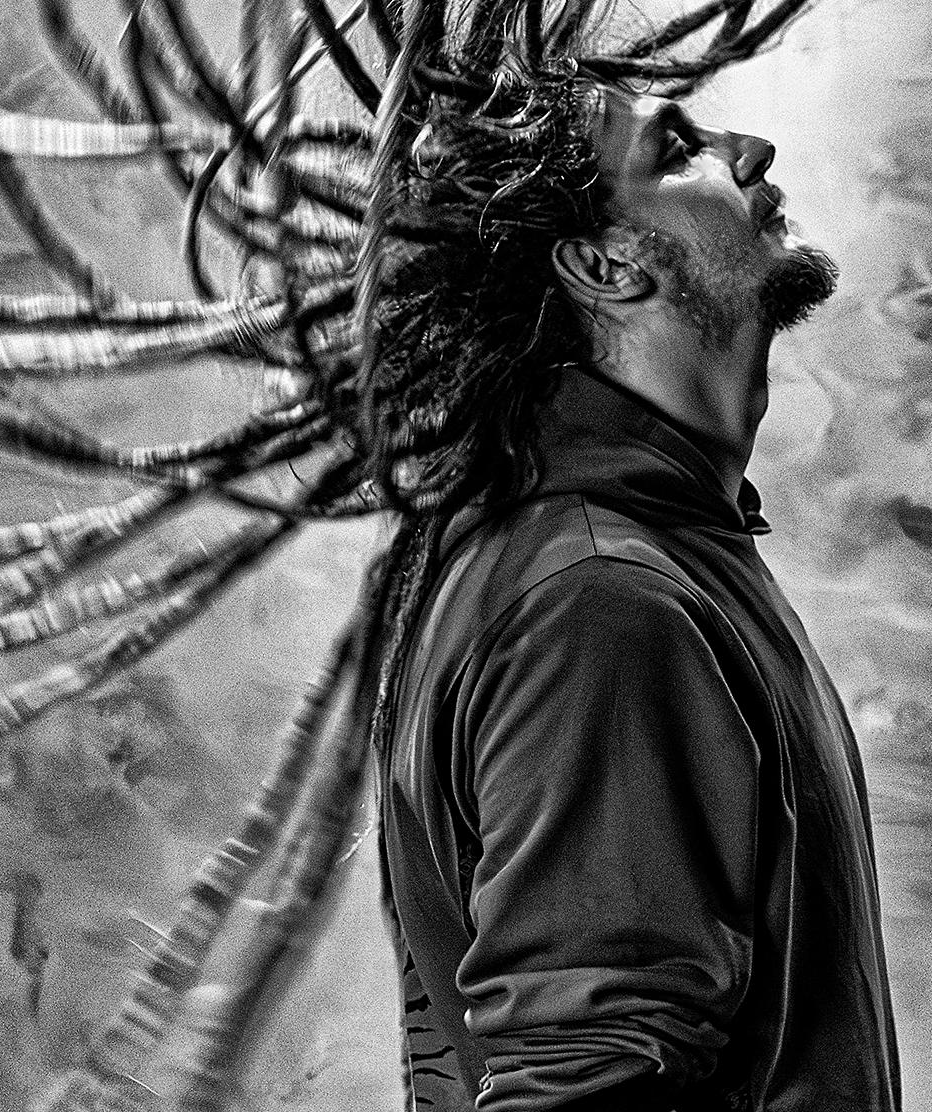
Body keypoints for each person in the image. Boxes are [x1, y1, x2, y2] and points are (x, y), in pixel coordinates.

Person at [374, 77, 902, 1112]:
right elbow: (584, 1081)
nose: (747, 149)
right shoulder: (599, 602)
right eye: (675, 146)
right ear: (605, 265)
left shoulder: (632, 555)